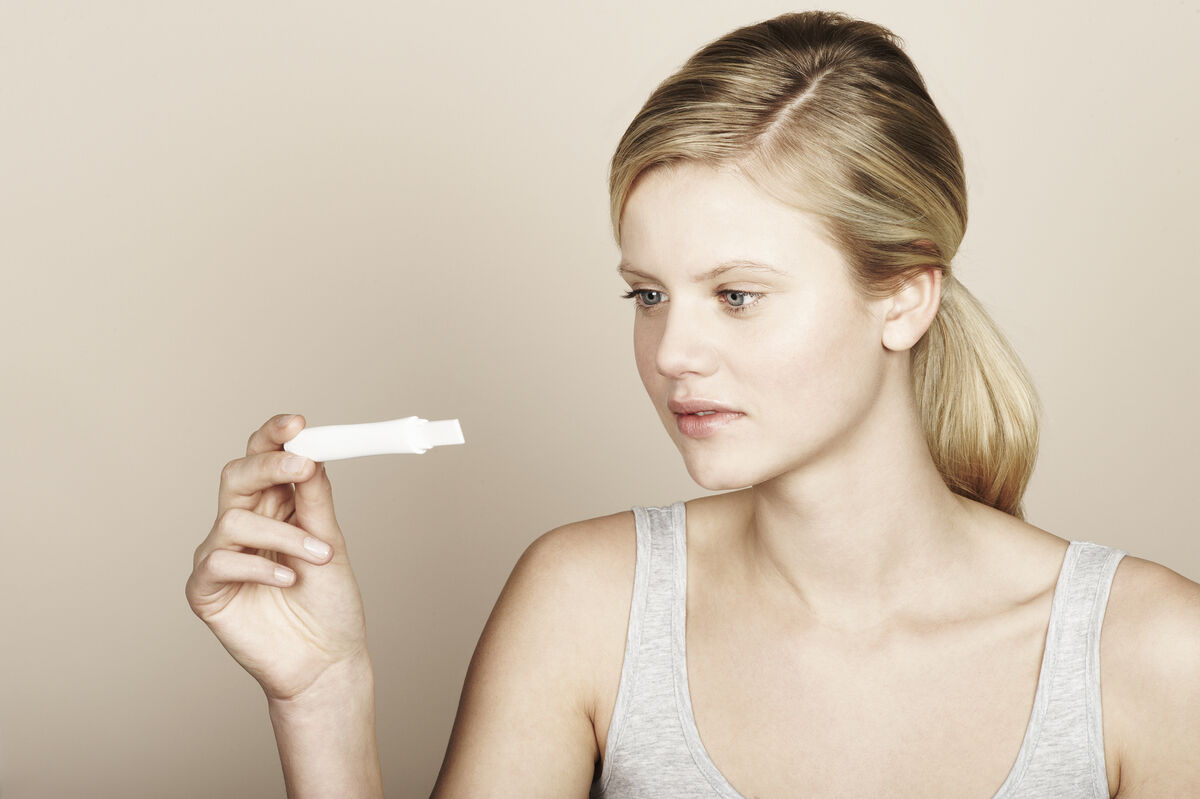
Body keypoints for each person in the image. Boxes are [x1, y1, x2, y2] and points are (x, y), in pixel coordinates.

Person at [185, 10, 1200, 797]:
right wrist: (322, 695)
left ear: (902, 298)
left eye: (737, 295)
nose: (672, 351)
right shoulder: (585, 604)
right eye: (648, 295)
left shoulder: (1151, 653)